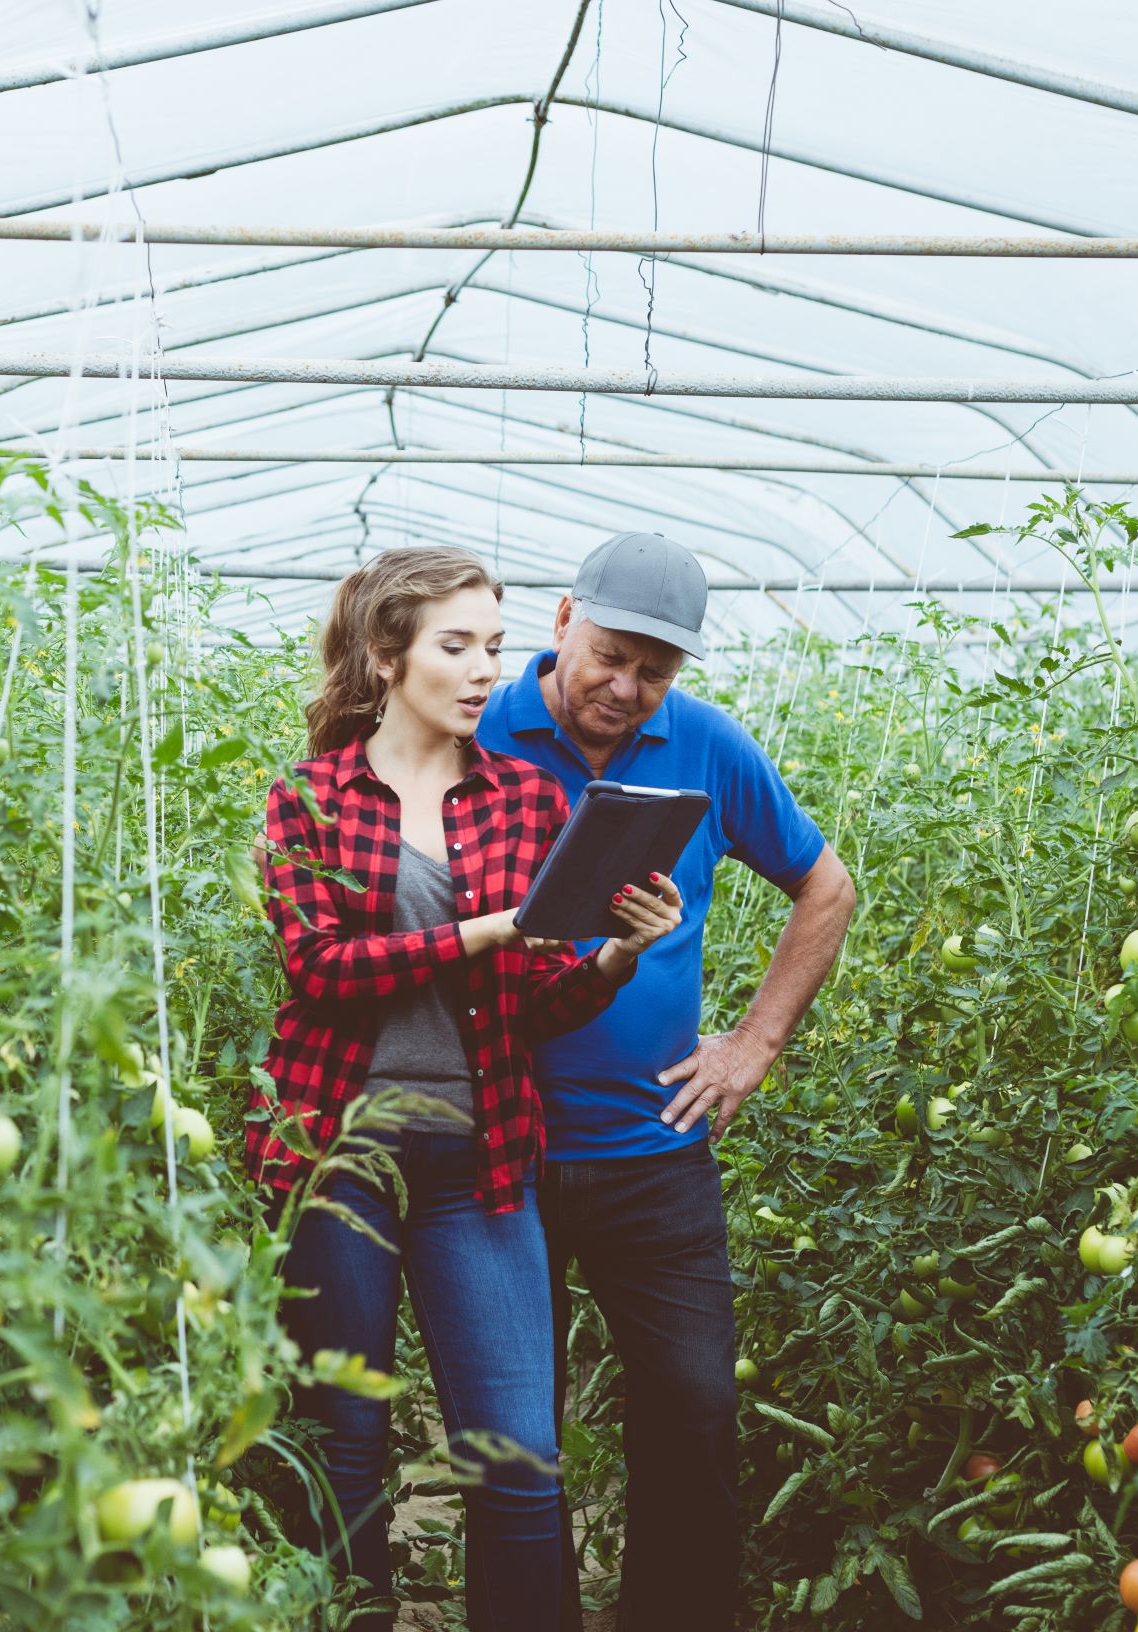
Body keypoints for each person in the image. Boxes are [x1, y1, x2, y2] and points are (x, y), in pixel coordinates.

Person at [249, 545, 684, 1632]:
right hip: (335, 1154)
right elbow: (322, 968)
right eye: (457, 646)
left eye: (493, 646)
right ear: (387, 655)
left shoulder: (523, 800)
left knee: (518, 1453)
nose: (486, 668)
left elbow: (532, 998)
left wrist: (612, 958)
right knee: (342, 1446)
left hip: (477, 1155)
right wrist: (488, 929)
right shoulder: (306, 799)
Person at [473, 531, 857, 1632]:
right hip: (508, 1146)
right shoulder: (480, 730)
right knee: (518, 1432)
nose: (627, 689)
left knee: (692, 1407)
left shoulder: (702, 745)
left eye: (656, 670)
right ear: (560, 622)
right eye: (609, 656)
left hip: (655, 1151)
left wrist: (754, 1044)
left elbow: (823, 887)